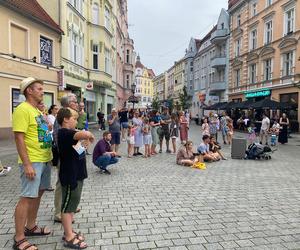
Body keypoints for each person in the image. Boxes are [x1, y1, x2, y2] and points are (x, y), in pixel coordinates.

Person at [12, 77, 53, 250]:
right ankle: (19, 238)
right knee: (27, 197)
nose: (42, 92)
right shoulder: (22, 109)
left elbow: (45, 131)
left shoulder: (36, 110)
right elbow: (19, 137)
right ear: (29, 90)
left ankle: (31, 226)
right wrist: (27, 164)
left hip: (45, 158)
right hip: (33, 160)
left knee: (38, 194)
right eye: (39, 89)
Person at [57, 108, 94, 249]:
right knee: (67, 206)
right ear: (66, 119)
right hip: (70, 176)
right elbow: (84, 133)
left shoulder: (72, 136)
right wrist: (88, 135)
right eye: (74, 118)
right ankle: (68, 237)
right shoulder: (65, 133)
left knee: (73, 204)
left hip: (78, 175)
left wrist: (86, 143)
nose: (76, 120)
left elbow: (80, 150)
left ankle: (69, 231)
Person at [53, 93, 79, 224]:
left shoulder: (71, 116)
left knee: (68, 182)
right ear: (68, 103)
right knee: (61, 183)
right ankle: (59, 212)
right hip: (63, 157)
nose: (77, 103)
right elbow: (60, 139)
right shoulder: (62, 116)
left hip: (70, 156)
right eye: (74, 101)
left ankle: (69, 206)